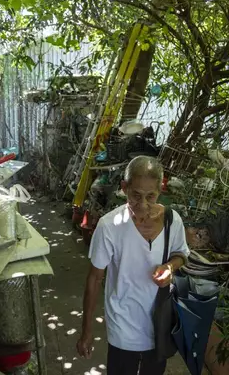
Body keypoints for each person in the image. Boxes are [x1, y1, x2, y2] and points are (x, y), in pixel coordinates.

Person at [76, 155, 190, 375]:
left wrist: (170, 267)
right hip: (122, 324)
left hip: (160, 323)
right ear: (124, 188)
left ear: (160, 190)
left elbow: (181, 254)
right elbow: (94, 278)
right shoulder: (109, 226)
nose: (143, 204)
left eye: (151, 196)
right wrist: (86, 330)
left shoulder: (172, 220)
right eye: (135, 195)